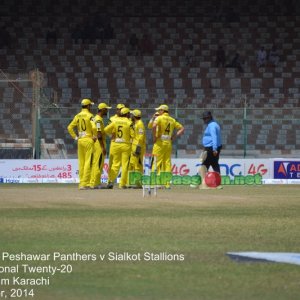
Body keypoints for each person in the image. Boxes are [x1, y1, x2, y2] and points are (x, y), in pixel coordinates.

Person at [151, 104, 185, 188]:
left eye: (159, 110)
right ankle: (167, 183)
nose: (158, 112)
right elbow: (182, 128)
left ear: (162, 111)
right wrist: (174, 136)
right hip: (168, 142)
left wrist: (155, 136)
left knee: (156, 162)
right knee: (167, 163)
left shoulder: (159, 118)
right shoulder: (172, 120)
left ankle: (155, 183)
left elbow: (154, 126)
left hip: (160, 142)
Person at [67, 99, 97, 190]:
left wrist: (76, 137)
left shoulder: (77, 116)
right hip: (88, 140)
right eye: (90, 105)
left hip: (80, 140)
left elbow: (69, 127)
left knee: (81, 162)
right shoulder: (91, 115)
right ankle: (85, 183)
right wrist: (95, 136)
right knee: (88, 162)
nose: (91, 107)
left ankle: (81, 183)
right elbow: (95, 127)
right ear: (88, 106)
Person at [103, 107, 134, 189]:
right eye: (129, 114)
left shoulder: (115, 121)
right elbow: (133, 135)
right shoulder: (129, 122)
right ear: (127, 114)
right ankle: (122, 184)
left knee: (115, 164)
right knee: (125, 165)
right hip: (125, 145)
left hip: (116, 144)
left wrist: (111, 135)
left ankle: (110, 181)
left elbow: (105, 130)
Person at [89, 102, 111, 189]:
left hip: (96, 143)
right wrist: (102, 147)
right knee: (98, 164)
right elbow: (99, 134)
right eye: (106, 109)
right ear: (102, 110)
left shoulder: (95, 118)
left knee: (96, 163)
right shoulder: (98, 120)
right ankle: (95, 183)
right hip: (99, 144)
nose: (107, 111)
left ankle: (94, 182)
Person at [199, 111, 222, 189]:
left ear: (209, 118)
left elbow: (214, 137)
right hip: (215, 147)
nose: (204, 120)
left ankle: (203, 184)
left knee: (204, 165)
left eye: (205, 119)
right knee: (215, 164)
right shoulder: (215, 124)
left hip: (211, 147)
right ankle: (218, 184)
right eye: (203, 119)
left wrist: (214, 149)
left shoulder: (211, 125)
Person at [128, 109, 146, 187]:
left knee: (138, 165)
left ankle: (138, 183)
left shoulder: (140, 124)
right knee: (132, 164)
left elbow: (141, 137)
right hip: (134, 146)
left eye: (132, 115)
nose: (131, 116)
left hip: (138, 147)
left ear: (134, 116)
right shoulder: (136, 123)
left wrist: (138, 148)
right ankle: (132, 182)